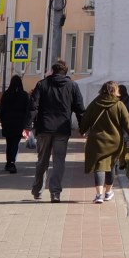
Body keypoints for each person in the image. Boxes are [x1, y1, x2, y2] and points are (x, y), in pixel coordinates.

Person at [28, 60, 87, 202]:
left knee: (42, 160)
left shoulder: (42, 84)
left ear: (53, 71)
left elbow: (33, 106)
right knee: (59, 161)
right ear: (66, 72)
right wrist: (83, 128)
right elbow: (80, 109)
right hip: (62, 129)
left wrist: (27, 125)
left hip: (44, 128)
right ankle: (55, 193)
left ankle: (37, 190)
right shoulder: (72, 86)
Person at [79, 81, 129, 204]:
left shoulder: (95, 103)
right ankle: (108, 192)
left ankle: (99, 194)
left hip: (96, 141)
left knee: (98, 166)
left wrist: (82, 130)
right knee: (111, 166)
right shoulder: (119, 105)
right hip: (114, 141)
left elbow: (86, 118)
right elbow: (128, 122)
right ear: (115, 91)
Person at [0, 75, 30, 174]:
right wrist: (27, 123)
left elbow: (1, 109)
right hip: (19, 123)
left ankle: (8, 162)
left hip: (8, 123)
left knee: (9, 143)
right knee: (15, 143)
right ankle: (12, 162)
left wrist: (2, 121)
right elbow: (27, 110)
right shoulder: (24, 95)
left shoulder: (6, 94)